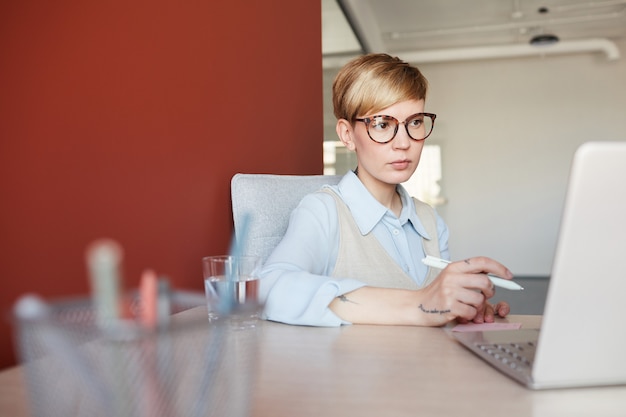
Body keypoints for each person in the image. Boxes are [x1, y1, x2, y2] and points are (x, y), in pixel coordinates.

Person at [259, 53, 512, 327]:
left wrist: (459, 308)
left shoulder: (431, 221)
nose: (403, 143)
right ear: (347, 135)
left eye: (415, 122)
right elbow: (268, 288)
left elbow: (434, 316)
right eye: (382, 124)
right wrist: (421, 305)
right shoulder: (324, 211)